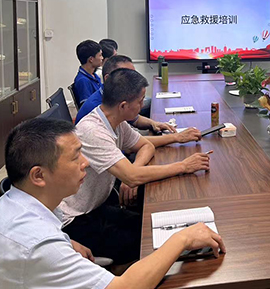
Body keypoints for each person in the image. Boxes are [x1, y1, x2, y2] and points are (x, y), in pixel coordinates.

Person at [0, 118, 225, 289]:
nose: (85, 163)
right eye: (75, 157)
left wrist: (68, 241)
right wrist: (183, 238)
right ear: (38, 176)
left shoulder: (19, 204)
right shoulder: (40, 245)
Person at [60, 68, 211, 263]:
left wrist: (133, 171)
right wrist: (183, 166)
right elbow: (132, 176)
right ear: (124, 105)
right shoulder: (93, 131)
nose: (142, 105)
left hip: (96, 207)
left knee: (149, 224)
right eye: (140, 101)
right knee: (150, 242)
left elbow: (145, 146)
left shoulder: (115, 121)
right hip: (76, 221)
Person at [76, 54, 202, 147]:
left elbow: (135, 124)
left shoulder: (114, 102)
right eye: (126, 75)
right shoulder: (101, 108)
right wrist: (177, 137)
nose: (134, 79)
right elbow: (130, 153)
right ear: (108, 78)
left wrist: (153, 123)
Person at [74, 39, 103, 106]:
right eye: (100, 55)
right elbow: (88, 107)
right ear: (91, 59)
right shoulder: (83, 81)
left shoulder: (93, 75)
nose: (102, 58)